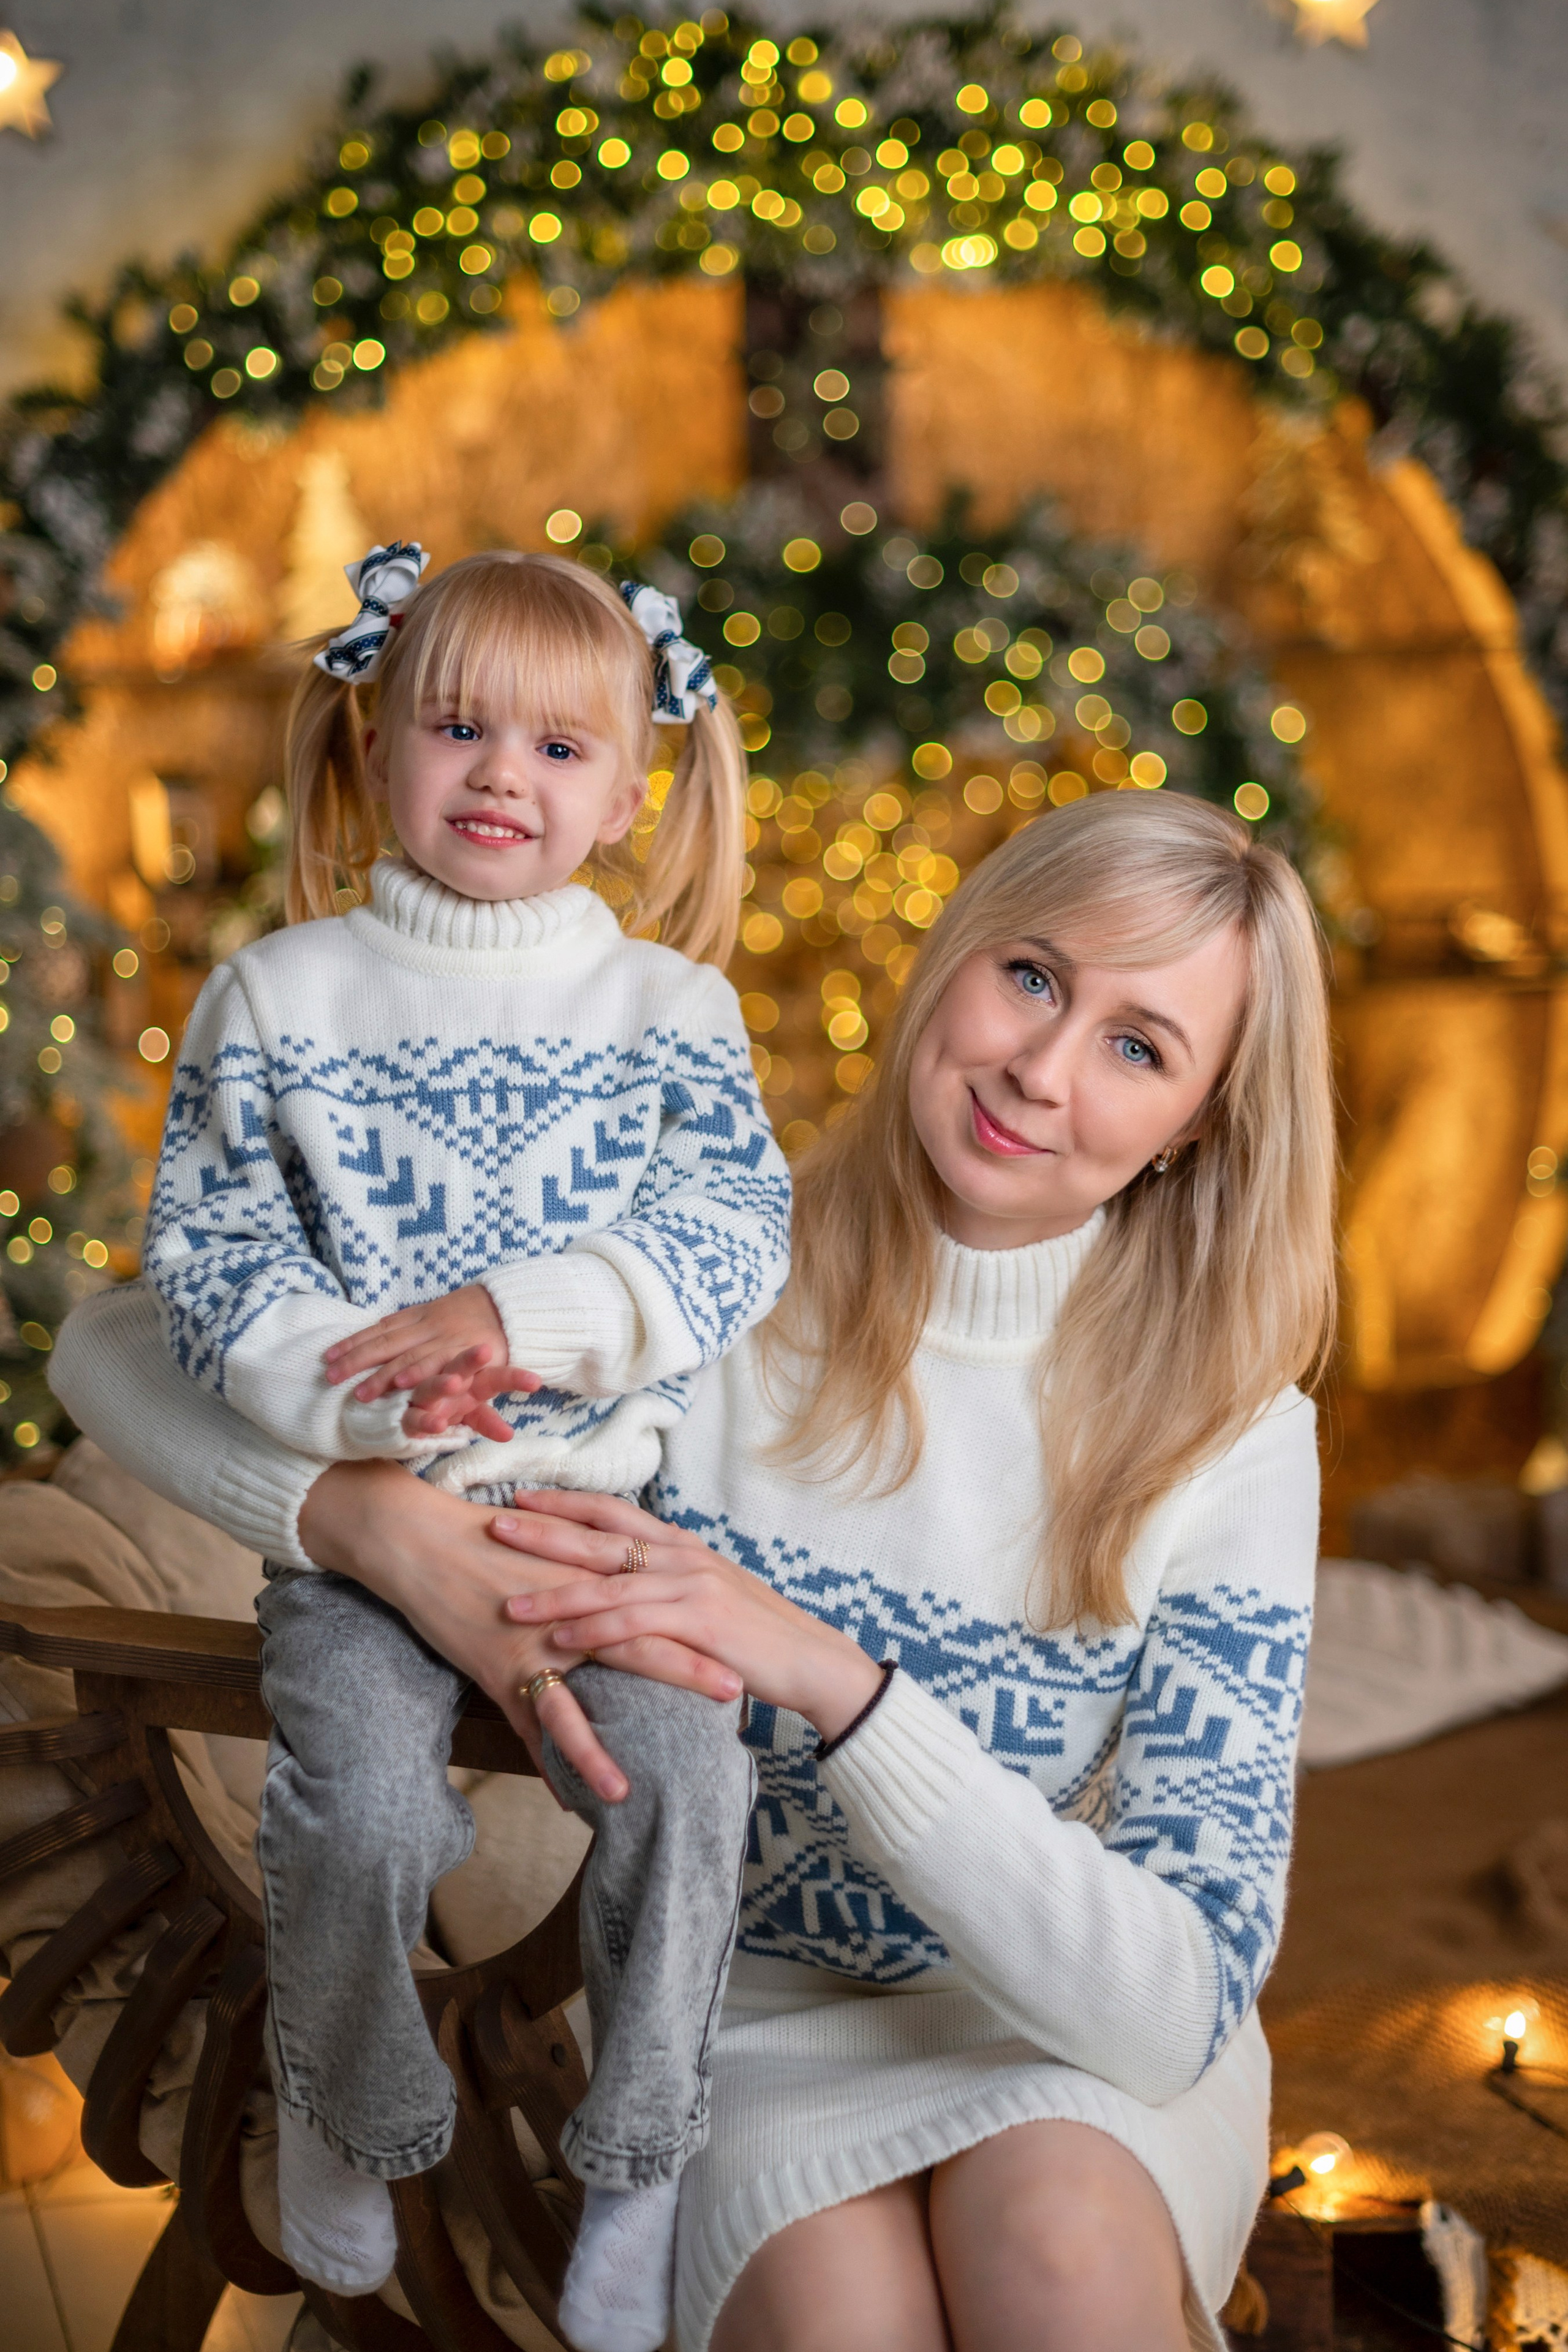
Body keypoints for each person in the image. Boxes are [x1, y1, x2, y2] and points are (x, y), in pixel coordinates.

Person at [56, 787, 1335, 2352]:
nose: (1040, 1068)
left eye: (1138, 1046)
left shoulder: (1233, 1429)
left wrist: (833, 1680)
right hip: (751, 2014)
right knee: (844, 2319)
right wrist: (376, 1526)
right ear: (951, 954)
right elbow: (113, 1344)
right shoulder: (702, 1269)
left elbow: (1178, 1998)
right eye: (1031, 976)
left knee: (1055, 2245)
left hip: (1074, 2030)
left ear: (1197, 1121)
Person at [134, 540, 791, 2351]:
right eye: (458, 726)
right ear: (374, 744)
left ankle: (641, 2156)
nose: (505, 773)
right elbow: (208, 1261)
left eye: (561, 748)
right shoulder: (279, 998)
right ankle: (347, 2103)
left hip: (592, 1521)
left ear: (630, 791)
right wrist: (365, 1408)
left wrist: (527, 1312)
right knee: (356, 1804)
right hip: (369, 1531)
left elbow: (734, 1233)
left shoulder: (668, 1012)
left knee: (689, 1785)